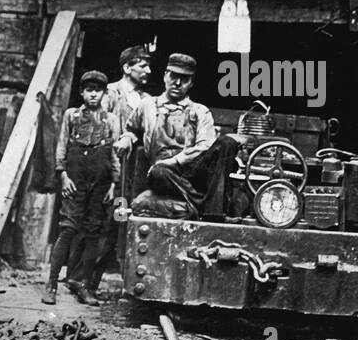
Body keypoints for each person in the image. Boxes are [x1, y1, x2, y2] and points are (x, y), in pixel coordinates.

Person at [67, 45, 154, 299]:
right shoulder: (110, 93)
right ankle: (77, 279)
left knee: (117, 225)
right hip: (105, 169)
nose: (148, 70)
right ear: (127, 68)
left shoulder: (146, 99)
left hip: (131, 173)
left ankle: (89, 282)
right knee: (98, 224)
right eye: (143, 65)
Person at [124, 52, 243, 218]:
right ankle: (203, 206)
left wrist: (175, 161)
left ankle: (209, 209)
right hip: (164, 175)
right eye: (173, 76)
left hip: (192, 172)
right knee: (158, 172)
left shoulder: (200, 111)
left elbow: (204, 146)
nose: (177, 83)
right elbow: (131, 128)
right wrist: (127, 138)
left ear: (191, 83)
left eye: (184, 79)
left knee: (227, 142)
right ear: (165, 76)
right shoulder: (147, 105)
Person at [43, 70, 121, 307]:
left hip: (100, 183)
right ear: (82, 92)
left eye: (98, 90)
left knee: (92, 233)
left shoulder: (111, 120)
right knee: (67, 229)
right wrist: (63, 176)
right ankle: (51, 284)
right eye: (89, 90)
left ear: (104, 93)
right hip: (74, 180)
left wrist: (114, 185)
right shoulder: (72, 116)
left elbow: (115, 154)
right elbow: (61, 147)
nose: (93, 95)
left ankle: (85, 286)